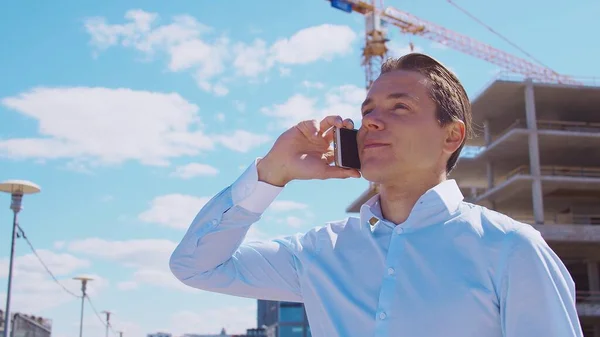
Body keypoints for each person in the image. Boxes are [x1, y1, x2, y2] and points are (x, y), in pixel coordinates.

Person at [169, 53, 583, 337]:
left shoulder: (510, 248)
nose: (373, 123)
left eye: (399, 108)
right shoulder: (321, 251)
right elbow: (197, 267)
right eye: (367, 111)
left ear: (452, 135)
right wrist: (271, 173)